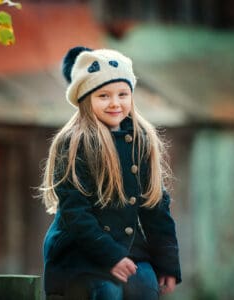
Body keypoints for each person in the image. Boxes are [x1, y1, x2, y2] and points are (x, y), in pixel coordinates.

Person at [40, 46, 181, 300]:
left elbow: (156, 207)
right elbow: (75, 213)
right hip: (79, 252)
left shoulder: (141, 141)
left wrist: (168, 262)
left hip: (128, 247)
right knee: (106, 291)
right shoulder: (74, 143)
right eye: (103, 95)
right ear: (86, 99)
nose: (115, 103)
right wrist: (111, 256)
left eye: (122, 94)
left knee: (145, 287)